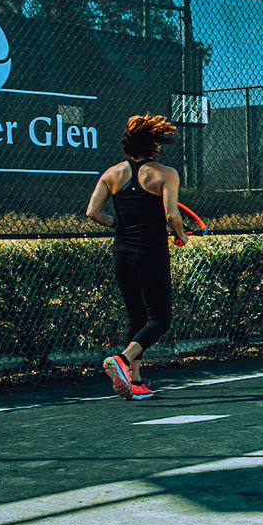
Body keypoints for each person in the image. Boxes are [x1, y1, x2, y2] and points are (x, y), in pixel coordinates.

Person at [86, 115, 186, 399]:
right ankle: (123, 360)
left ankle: (136, 380)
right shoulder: (166, 173)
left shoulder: (111, 173)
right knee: (159, 320)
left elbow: (93, 212)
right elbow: (171, 214)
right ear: (154, 145)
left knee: (136, 316)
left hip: (122, 253)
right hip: (151, 253)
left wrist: (118, 225)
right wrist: (181, 235)